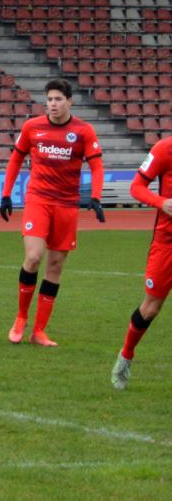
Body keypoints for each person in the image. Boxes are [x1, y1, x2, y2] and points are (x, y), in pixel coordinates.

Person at [0, 79, 106, 347]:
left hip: (67, 205)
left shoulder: (83, 131)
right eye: (50, 100)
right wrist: (6, 194)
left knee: (55, 266)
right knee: (33, 257)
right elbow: (16, 159)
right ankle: (21, 318)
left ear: (70, 101)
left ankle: (39, 331)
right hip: (38, 200)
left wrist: (96, 197)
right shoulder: (32, 127)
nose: (53, 104)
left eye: (58, 99)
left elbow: (96, 166)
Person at [111, 137, 172, 389]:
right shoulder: (164, 149)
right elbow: (136, 187)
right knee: (151, 308)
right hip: (167, 242)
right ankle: (125, 356)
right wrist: (162, 202)